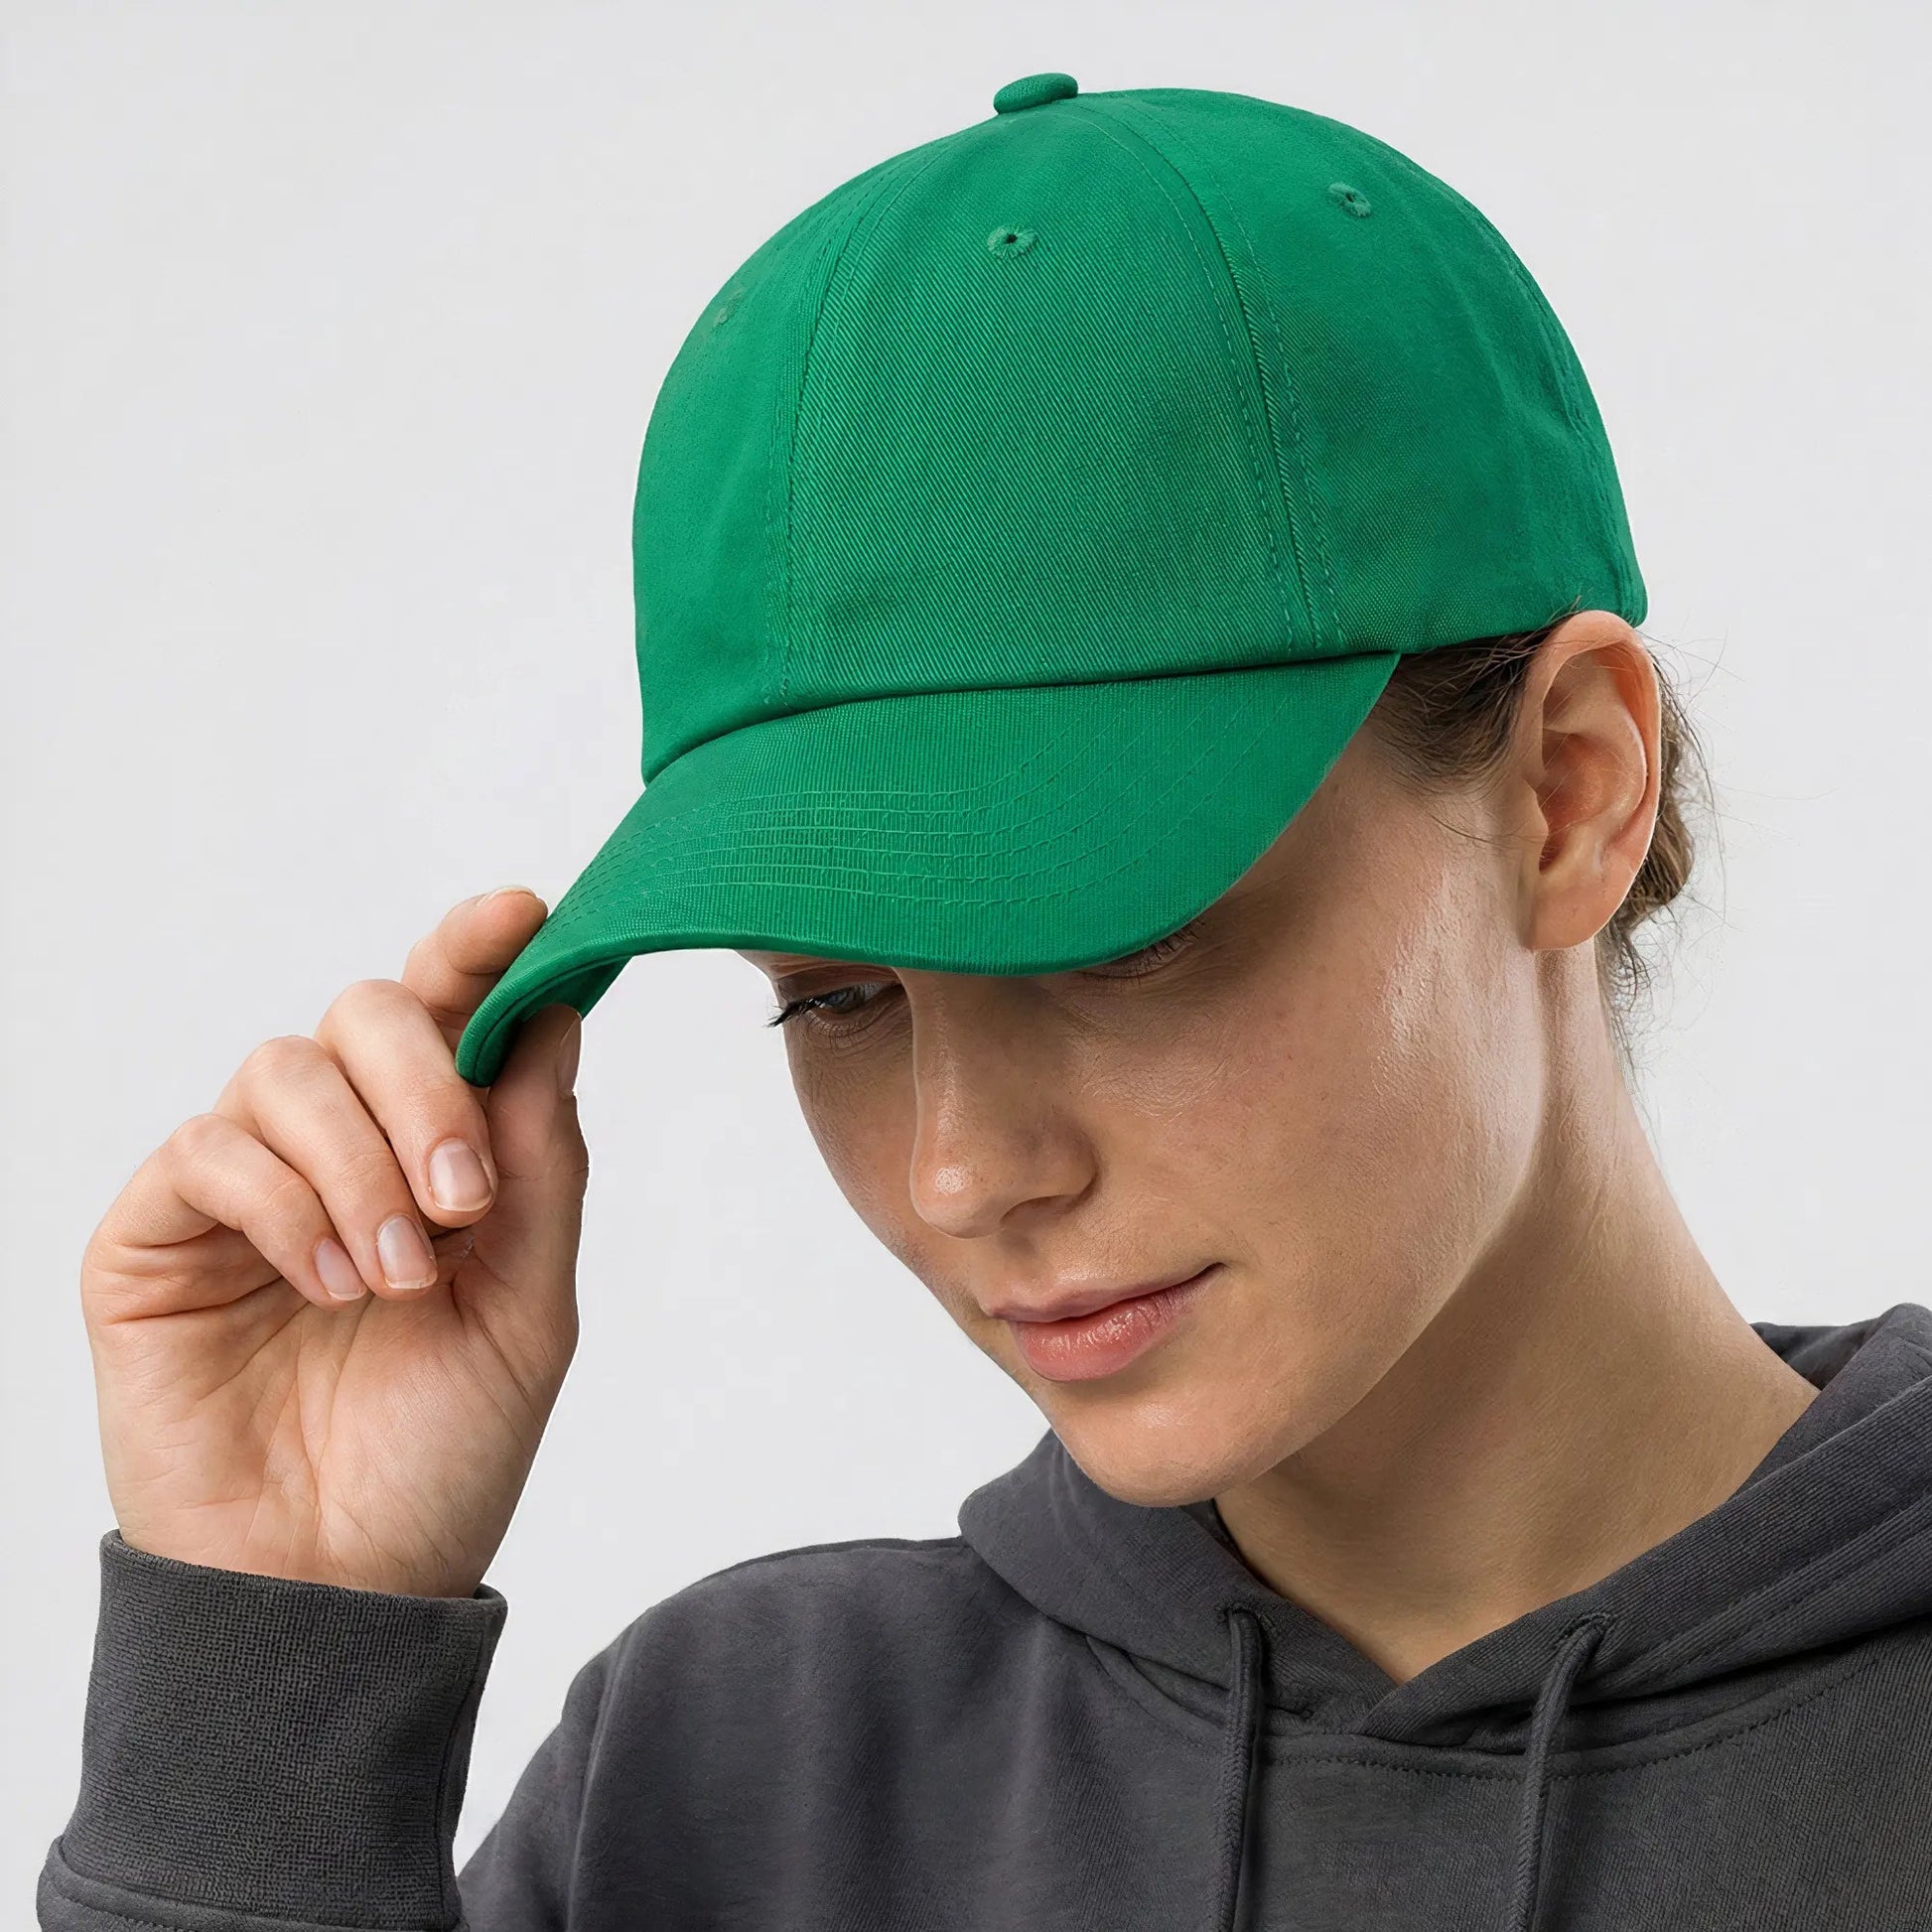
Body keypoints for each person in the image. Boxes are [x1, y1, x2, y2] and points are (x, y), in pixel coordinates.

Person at [38, 69, 1932, 1932]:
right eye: (838, 997)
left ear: (1570, 792)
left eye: (1117, 942)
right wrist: (263, 1684)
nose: (959, 1172)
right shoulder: (734, 1784)